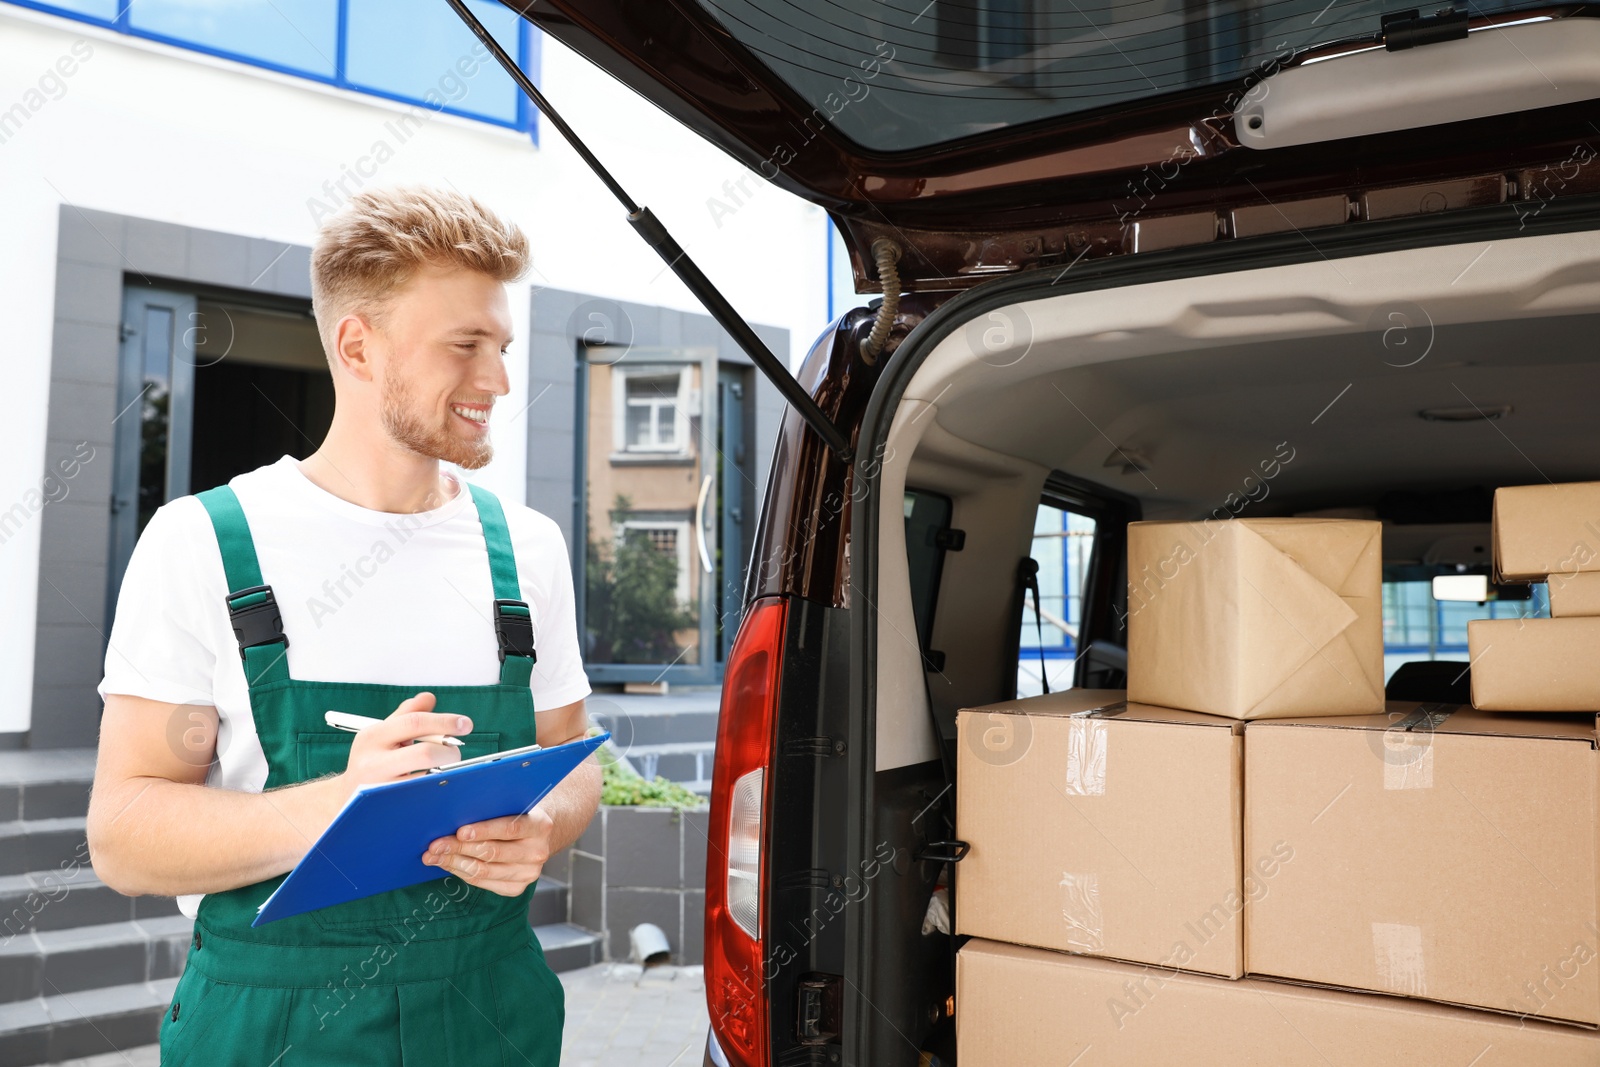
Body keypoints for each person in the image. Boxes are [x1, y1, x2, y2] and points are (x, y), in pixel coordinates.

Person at [86, 185, 597, 1066]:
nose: (500, 380)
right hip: (269, 1023)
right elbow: (125, 833)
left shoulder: (529, 550)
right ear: (358, 344)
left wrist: (545, 826)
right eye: (466, 345)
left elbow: (571, 758)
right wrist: (341, 805)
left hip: (490, 1010)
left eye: (502, 346)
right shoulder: (205, 541)